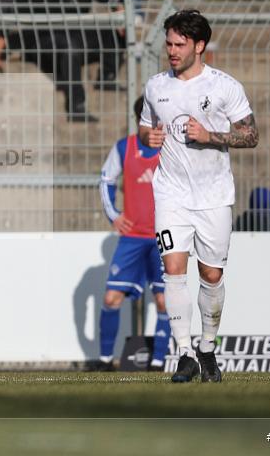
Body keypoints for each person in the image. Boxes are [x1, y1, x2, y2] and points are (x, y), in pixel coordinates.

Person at [139, 9, 258, 383]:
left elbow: (251, 136)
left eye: (179, 44)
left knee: (211, 273)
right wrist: (149, 138)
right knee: (173, 269)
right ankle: (184, 355)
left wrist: (210, 136)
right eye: (169, 43)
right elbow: (146, 128)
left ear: (199, 45)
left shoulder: (224, 87)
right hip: (170, 193)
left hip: (214, 195)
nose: (171, 51)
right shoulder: (156, 86)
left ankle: (207, 347)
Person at [97, 97, 169, 371]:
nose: (154, 127)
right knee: (111, 299)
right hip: (133, 239)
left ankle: (159, 362)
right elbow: (106, 180)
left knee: (164, 301)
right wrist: (114, 215)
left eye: (158, 120)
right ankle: (104, 362)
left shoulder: (171, 149)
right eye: (148, 120)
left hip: (165, 239)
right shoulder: (124, 148)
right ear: (139, 120)